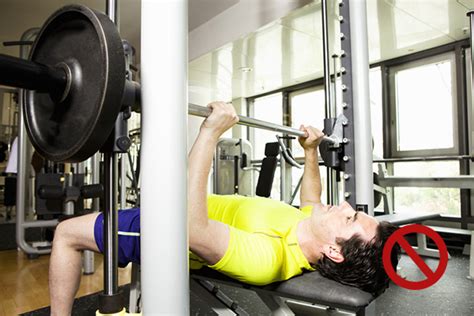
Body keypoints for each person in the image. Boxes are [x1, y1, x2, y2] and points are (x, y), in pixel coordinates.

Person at [49, 102, 400, 315]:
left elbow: (192, 230)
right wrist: (310, 152)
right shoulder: (310, 228)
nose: (344, 205)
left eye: (351, 217)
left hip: (162, 227)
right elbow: (311, 201)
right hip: (176, 206)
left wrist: (210, 132)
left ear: (333, 252)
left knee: (65, 233)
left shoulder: (269, 258)